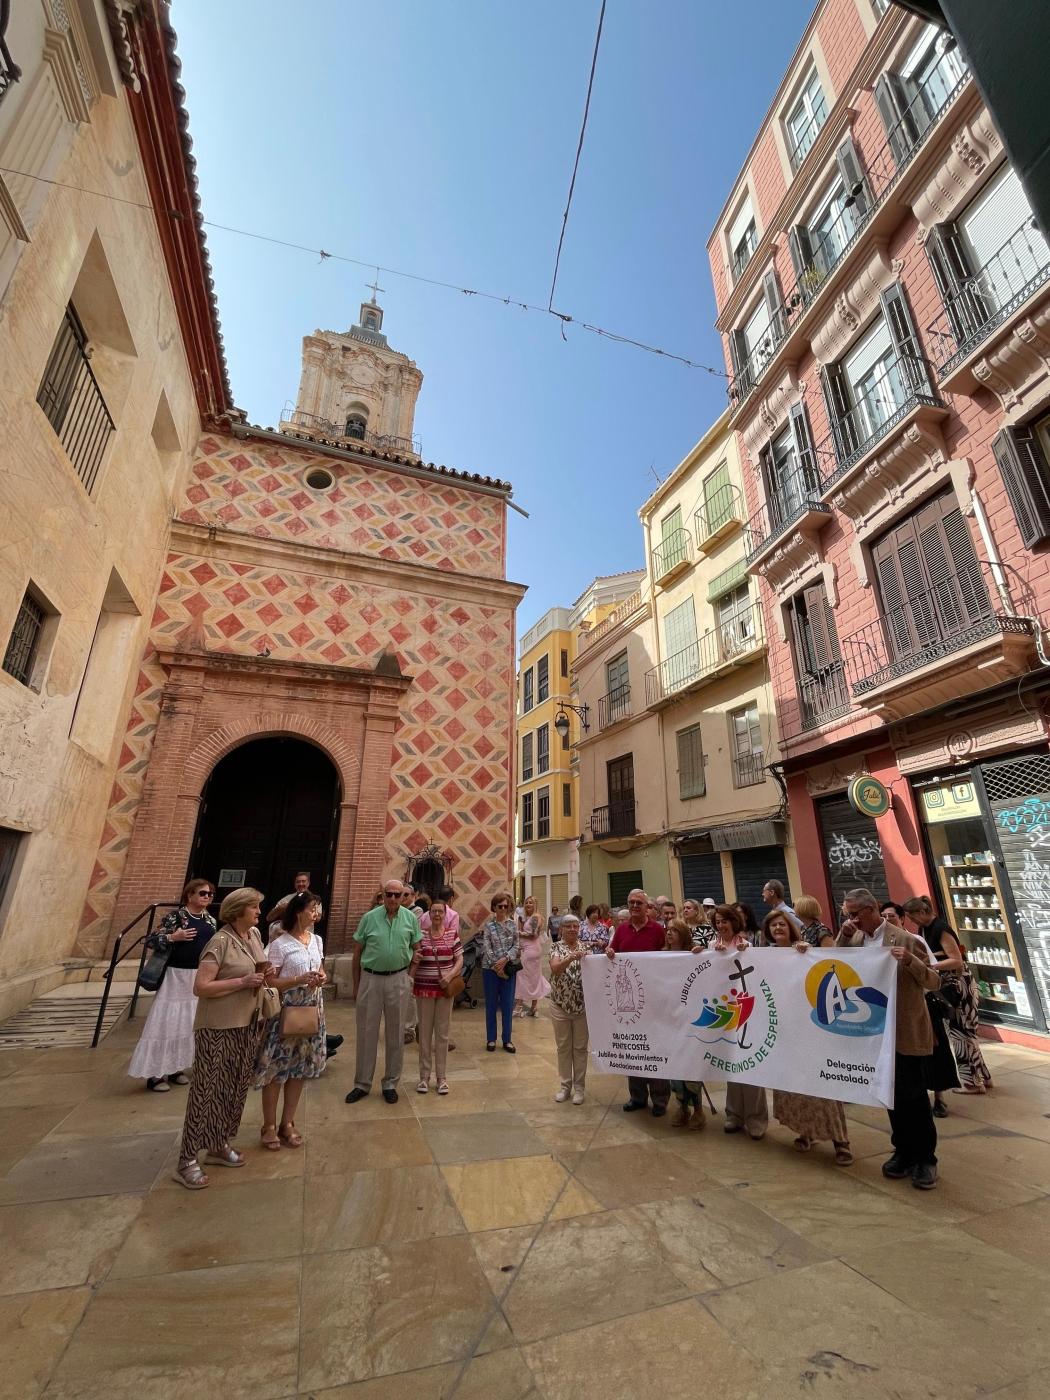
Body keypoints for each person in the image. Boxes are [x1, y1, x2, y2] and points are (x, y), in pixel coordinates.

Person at [838, 888, 941, 1189]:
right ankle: (903, 1150)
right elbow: (839, 967)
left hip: (905, 1030)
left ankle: (925, 1158)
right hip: (874, 1032)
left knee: (914, 1096)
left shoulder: (906, 939)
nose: (852, 920)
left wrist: (910, 961)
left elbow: (934, 982)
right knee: (890, 1094)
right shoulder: (855, 938)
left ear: (872, 909)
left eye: (855, 914)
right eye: (847, 915)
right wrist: (844, 935)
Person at [173, 887, 272, 1190]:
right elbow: (201, 987)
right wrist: (242, 981)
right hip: (218, 1026)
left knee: (235, 1086)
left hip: (247, 1023)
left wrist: (265, 973)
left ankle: (219, 1143)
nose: (258, 912)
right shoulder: (219, 941)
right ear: (238, 910)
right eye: (254, 907)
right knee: (206, 1090)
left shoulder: (253, 936)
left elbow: (257, 968)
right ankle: (187, 1159)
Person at [763, 911, 853, 1164]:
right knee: (793, 1085)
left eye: (782, 924)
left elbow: (829, 966)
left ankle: (841, 1140)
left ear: (791, 927)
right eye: (773, 926)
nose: (778, 928)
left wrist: (809, 952)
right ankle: (806, 1131)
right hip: (783, 1028)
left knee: (822, 1087)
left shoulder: (805, 951)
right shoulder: (765, 955)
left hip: (811, 1027)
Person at [254, 890, 327, 1149]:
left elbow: (321, 969)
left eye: (318, 908)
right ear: (298, 912)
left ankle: (288, 1123)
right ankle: (269, 1125)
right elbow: (270, 980)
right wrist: (297, 980)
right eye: (312, 908)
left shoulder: (317, 940)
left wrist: (321, 978)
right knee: (277, 1070)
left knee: (299, 1069)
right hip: (284, 1012)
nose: (317, 913)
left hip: (310, 1010)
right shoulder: (280, 944)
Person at [130, 878, 217, 1092]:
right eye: (202, 893)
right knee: (167, 1021)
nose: (206, 897)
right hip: (174, 976)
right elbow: (150, 940)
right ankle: (156, 1074)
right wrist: (172, 936)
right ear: (190, 895)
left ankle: (176, 1067)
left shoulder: (210, 921)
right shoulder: (176, 917)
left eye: (210, 894)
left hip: (196, 976)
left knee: (187, 1023)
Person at [904, 895, 992, 1098]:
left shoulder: (940, 928)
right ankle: (983, 1076)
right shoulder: (924, 929)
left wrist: (929, 966)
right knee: (964, 1031)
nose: (912, 922)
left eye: (912, 917)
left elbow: (956, 960)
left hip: (958, 985)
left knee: (961, 1032)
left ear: (922, 912)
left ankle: (971, 1083)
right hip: (946, 983)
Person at [345, 879, 423, 1106]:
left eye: (398, 895)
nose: (393, 899)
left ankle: (390, 1083)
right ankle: (362, 1083)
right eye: (388, 894)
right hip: (370, 978)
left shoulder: (410, 919)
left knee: (396, 1033)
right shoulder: (369, 918)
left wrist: (409, 976)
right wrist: (357, 984)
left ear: (404, 897)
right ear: (383, 895)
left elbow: (418, 948)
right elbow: (357, 953)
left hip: (399, 979)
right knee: (366, 1032)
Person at [605, 888, 669, 1116]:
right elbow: (614, 951)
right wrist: (610, 951)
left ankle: (660, 1100)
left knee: (655, 1047)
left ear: (647, 907)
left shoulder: (658, 930)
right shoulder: (621, 929)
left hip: (654, 1000)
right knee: (633, 1047)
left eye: (638, 903)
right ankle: (637, 1096)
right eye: (631, 902)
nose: (634, 906)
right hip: (630, 1003)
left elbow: (668, 954)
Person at [709, 903, 768, 1138]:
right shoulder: (712, 946)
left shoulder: (747, 946)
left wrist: (747, 953)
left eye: (725, 920)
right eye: (718, 922)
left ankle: (756, 1118)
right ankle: (734, 1114)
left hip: (748, 1009)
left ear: (734, 922)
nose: (721, 925)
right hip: (725, 1009)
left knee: (750, 1063)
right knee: (731, 1062)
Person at [412, 898, 463, 1095]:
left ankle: (441, 1077)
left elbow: (459, 959)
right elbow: (414, 957)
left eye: (440, 912)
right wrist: (414, 957)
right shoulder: (421, 935)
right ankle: (424, 1077)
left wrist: (449, 976)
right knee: (424, 1034)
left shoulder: (452, 934)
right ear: (428, 914)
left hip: (444, 991)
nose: (437, 915)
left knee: (442, 1034)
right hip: (424, 989)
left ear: (446, 914)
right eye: (433, 912)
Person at [548, 913, 589, 1105]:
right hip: (560, 1005)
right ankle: (565, 1086)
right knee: (563, 1047)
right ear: (561, 929)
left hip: (582, 1007)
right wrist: (570, 958)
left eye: (576, 926)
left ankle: (579, 1088)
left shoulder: (586, 948)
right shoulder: (556, 947)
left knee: (580, 1048)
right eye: (569, 926)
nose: (573, 929)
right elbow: (555, 968)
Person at [482, 893, 520, 1051]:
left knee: (507, 1004)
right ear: (494, 908)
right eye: (500, 906)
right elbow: (486, 946)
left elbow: (517, 945)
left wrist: (505, 959)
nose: (503, 909)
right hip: (490, 969)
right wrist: (496, 965)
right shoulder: (489, 926)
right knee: (491, 1004)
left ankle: (507, 1039)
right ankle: (491, 1039)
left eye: (506, 906)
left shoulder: (512, 925)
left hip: (508, 968)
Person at [515, 894, 550, 1016]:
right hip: (531, 949)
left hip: (530, 950)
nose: (528, 904)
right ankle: (533, 1008)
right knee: (534, 977)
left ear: (535, 905)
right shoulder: (531, 918)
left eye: (531, 902)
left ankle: (519, 1006)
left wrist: (518, 933)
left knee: (521, 975)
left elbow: (534, 935)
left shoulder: (535, 917)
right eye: (526, 902)